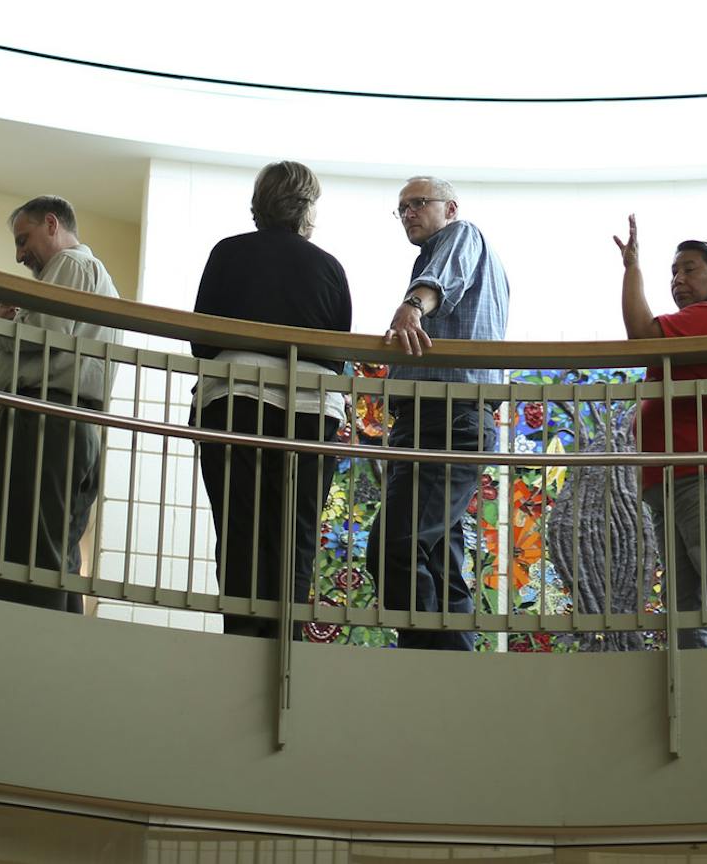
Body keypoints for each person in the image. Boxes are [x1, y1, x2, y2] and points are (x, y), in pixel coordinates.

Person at [190, 162, 353, 636]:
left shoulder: (228, 253)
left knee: (240, 528)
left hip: (234, 398)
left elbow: (201, 341)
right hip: (311, 409)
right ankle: (285, 647)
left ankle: (241, 639)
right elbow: (338, 354)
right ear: (308, 207)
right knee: (296, 532)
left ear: (259, 201)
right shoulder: (329, 267)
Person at [0, 196, 119, 613]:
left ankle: (26, 649)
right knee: (54, 556)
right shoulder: (90, 275)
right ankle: (50, 653)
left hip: (43, 421)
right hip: (68, 423)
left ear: (50, 224)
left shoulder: (71, 265)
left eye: (23, 240)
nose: (20, 254)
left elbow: (45, 333)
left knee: (27, 555)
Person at [372, 176, 509, 650]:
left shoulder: (461, 235)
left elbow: (437, 285)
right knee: (439, 561)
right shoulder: (445, 253)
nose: (409, 213)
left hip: (448, 419)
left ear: (449, 208)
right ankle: (455, 671)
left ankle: (423, 665)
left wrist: (412, 306)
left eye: (418, 203)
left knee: (394, 544)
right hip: (438, 419)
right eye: (402, 207)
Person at [613, 218, 707, 649]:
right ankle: (694, 687)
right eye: (674, 272)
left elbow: (640, 334)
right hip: (678, 470)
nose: (678, 279)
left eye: (690, 268)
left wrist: (632, 269)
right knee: (684, 596)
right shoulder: (698, 319)